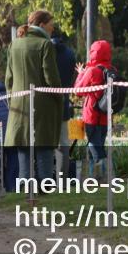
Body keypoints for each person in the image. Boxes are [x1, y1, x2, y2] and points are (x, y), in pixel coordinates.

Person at [4, 10, 62, 183]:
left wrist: (11, 102)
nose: (53, 28)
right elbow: (51, 78)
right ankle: (45, 188)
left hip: (18, 106)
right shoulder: (46, 45)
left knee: (24, 152)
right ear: (42, 25)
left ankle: (24, 189)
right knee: (44, 150)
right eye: (51, 24)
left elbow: (9, 79)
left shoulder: (14, 45)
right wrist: (60, 99)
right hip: (43, 105)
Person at [74, 40, 115, 179]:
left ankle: (106, 174)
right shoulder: (112, 70)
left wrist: (81, 73)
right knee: (99, 145)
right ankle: (95, 176)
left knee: (93, 145)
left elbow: (78, 91)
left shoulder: (92, 71)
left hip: (92, 114)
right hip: (106, 116)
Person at [51, 28, 77, 180]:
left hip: (46, 104)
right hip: (64, 103)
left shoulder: (46, 52)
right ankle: (63, 179)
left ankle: (46, 178)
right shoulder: (70, 53)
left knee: (45, 145)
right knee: (63, 143)